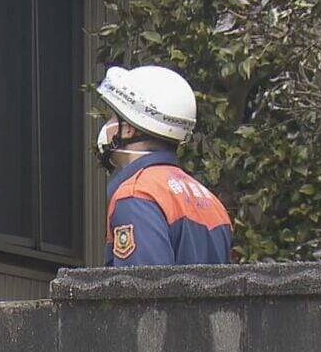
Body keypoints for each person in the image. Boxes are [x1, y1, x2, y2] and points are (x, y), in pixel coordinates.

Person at [95, 65, 233, 266]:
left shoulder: (136, 195)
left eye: (113, 117)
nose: (108, 125)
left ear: (129, 129)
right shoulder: (211, 202)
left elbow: (143, 283)